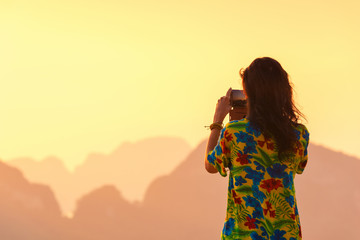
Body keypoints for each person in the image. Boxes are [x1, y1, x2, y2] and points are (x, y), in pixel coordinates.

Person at [204, 57, 309, 240]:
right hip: (285, 234)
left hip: (244, 234)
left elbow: (210, 165)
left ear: (249, 94)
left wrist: (218, 122)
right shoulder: (298, 134)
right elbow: (299, 167)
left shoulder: (234, 132)